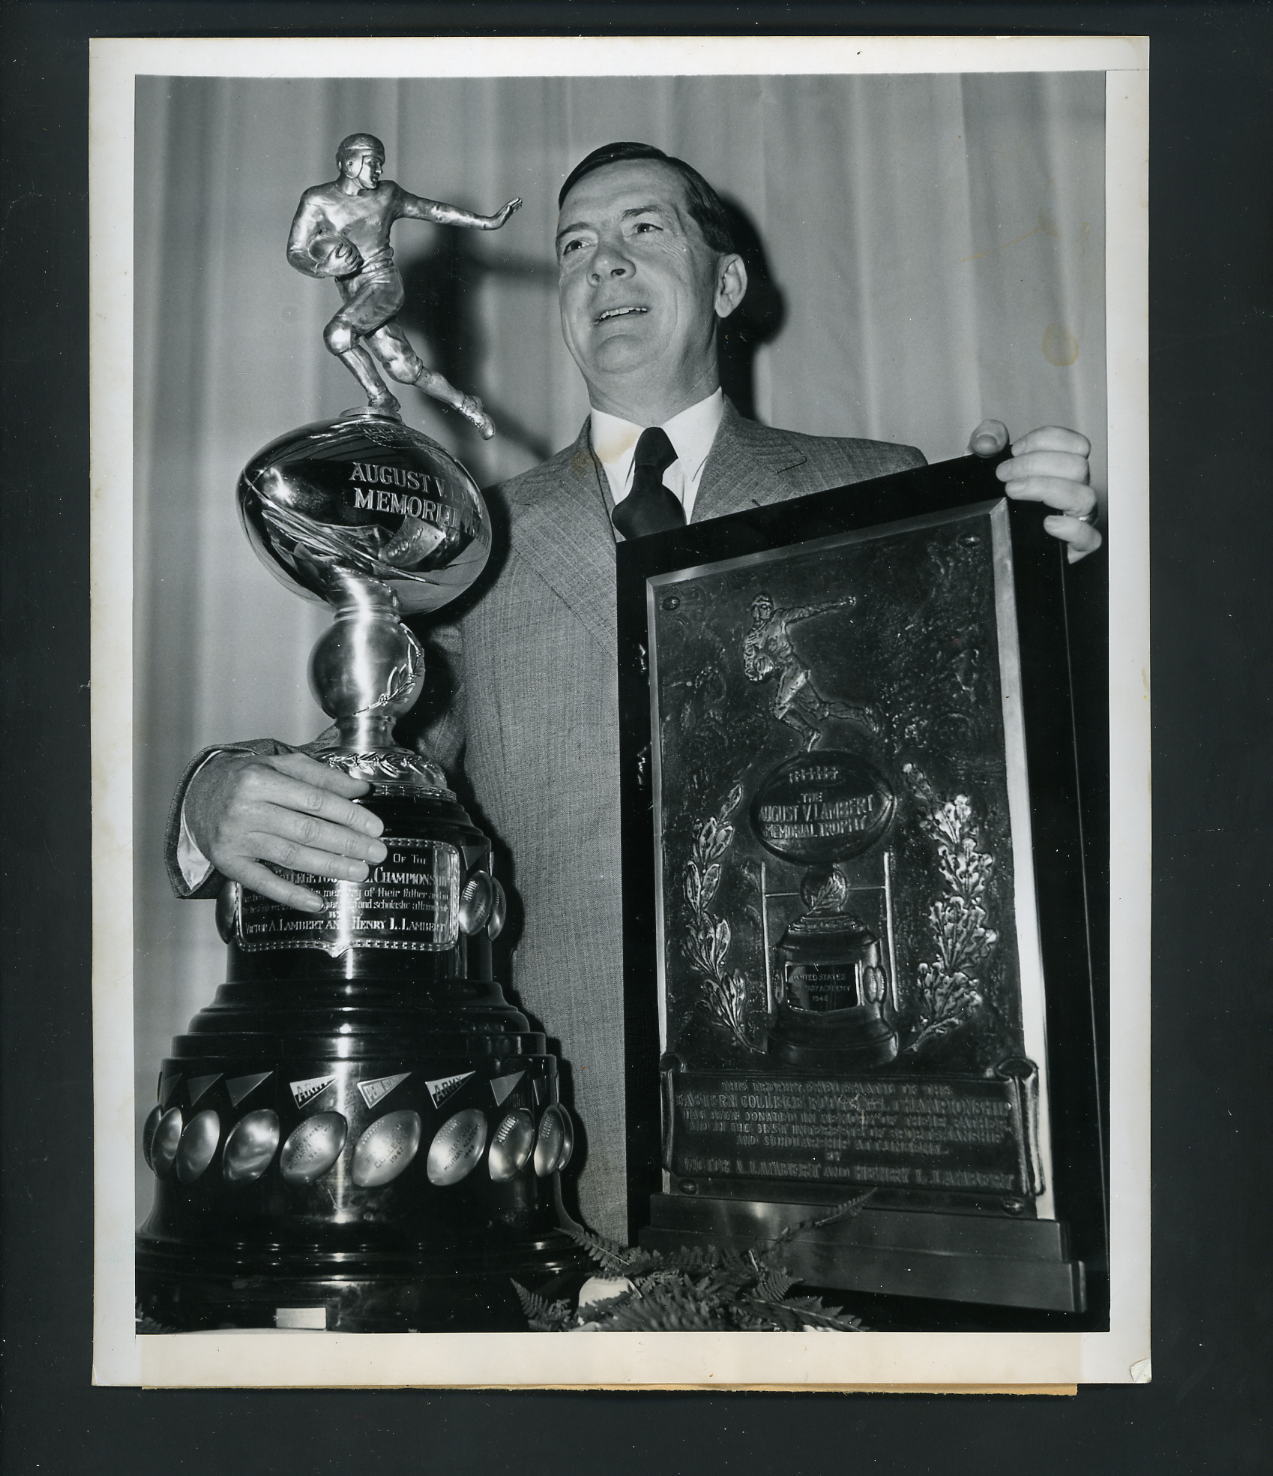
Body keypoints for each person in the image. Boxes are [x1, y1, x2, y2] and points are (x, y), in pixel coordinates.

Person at [173, 142, 1101, 1240]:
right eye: (573, 247)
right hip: (572, 1147)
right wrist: (218, 798)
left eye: (642, 232)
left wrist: (1050, 577)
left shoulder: (879, 486)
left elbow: (999, 770)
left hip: (858, 1134)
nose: (601, 266)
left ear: (725, 284)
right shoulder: (463, 540)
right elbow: (377, 763)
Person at [287, 132, 522, 435]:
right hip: (355, 293)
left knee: (338, 334)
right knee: (405, 369)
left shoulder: (388, 195)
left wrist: (487, 222)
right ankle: (467, 404)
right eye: (372, 163)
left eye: (381, 164)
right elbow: (295, 251)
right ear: (349, 163)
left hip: (383, 282)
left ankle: (380, 397)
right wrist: (323, 267)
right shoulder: (317, 200)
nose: (378, 171)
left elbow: (433, 210)